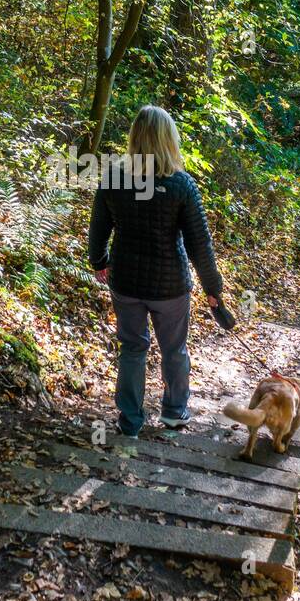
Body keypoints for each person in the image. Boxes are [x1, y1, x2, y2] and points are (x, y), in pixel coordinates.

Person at [87, 105, 224, 436]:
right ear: (169, 139)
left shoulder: (114, 179)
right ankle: (174, 412)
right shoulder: (181, 185)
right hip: (170, 287)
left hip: (127, 283)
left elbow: (98, 230)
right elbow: (199, 244)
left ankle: (130, 422)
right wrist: (213, 288)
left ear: (135, 138)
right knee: (174, 349)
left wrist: (100, 261)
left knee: (132, 349)